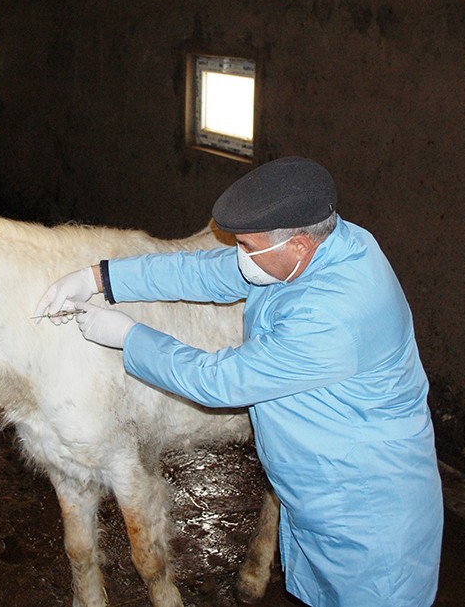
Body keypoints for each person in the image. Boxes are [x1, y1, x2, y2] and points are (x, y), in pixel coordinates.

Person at [35, 156, 443, 607]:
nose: (240, 256)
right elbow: (206, 271)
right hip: (319, 497)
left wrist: (130, 338)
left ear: (300, 245)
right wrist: (100, 277)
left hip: (366, 518)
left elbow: (219, 381)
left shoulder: (333, 317)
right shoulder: (326, 247)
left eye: (248, 246)